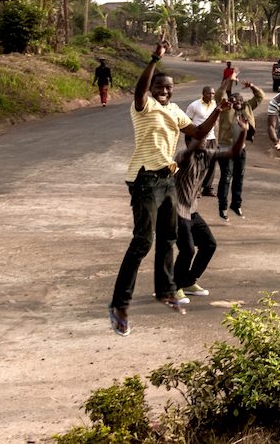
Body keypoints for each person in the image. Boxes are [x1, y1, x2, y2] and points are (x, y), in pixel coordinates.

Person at [107, 40, 222, 337]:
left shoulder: (174, 111)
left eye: (169, 87)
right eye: (160, 86)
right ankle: (119, 305)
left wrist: (218, 111)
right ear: (152, 88)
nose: (165, 90)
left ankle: (166, 290)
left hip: (167, 179)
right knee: (142, 241)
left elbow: (197, 132)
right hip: (144, 178)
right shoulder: (144, 107)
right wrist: (154, 59)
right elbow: (139, 89)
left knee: (169, 237)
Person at [174, 82, 241, 300]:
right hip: (176, 212)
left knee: (209, 245)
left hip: (191, 211)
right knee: (187, 250)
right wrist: (217, 111)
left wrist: (243, 131)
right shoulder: (183, 157)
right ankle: (174, 287)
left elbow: (232, 152)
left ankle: (189, 281)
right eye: (198, 138)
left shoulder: (208, 154)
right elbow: (199, 134)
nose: (204, 140)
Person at [215, 79, 262, 220]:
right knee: (226, 177)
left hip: (241, 149)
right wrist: (228, 80)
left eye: (238, 99)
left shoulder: (247, 108)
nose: (236, 101)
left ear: (243, 101)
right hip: (225, 148)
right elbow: (219, 94)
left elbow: (260, 97)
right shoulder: (225, 110)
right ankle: (222, 207)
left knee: (239, 177)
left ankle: (236, 204)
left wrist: (252, 86)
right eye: (232, 99)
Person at [185, 86, 218, 196]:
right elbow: (187, 124)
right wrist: (189, 141)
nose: (211, 96)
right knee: (199, 164)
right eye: (209, 93)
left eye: (213, 93)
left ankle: (208, 188)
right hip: (198, 139)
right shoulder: (194, 105)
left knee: (212, 163)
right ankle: (196, 189)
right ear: (203, 93)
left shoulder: (214, 104)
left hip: (211, 138)